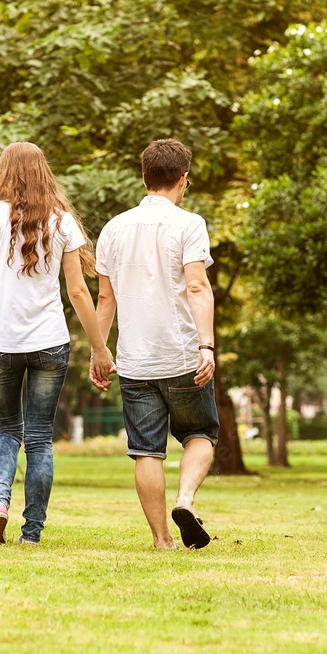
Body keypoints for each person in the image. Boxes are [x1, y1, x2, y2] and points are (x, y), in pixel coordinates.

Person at [0, 142, 115, 545]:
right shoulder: (63, 222)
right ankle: (31, 533)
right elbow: (80, 293)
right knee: (39, 437)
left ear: (3, 172)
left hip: (1, 340)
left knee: (6, 432)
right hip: (50, 342)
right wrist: (99, 347)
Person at [94, 138, 218, 550]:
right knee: (200, 432)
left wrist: (99, 349)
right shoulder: (189, 223)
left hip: (135, 362)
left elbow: (105, 299)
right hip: (183, 356)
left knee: (147, 450)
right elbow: (197, 285)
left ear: (144, 177)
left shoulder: (113, 228)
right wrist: (207, 346)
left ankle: (162, 539)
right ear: (183, 180)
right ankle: (185, 501)